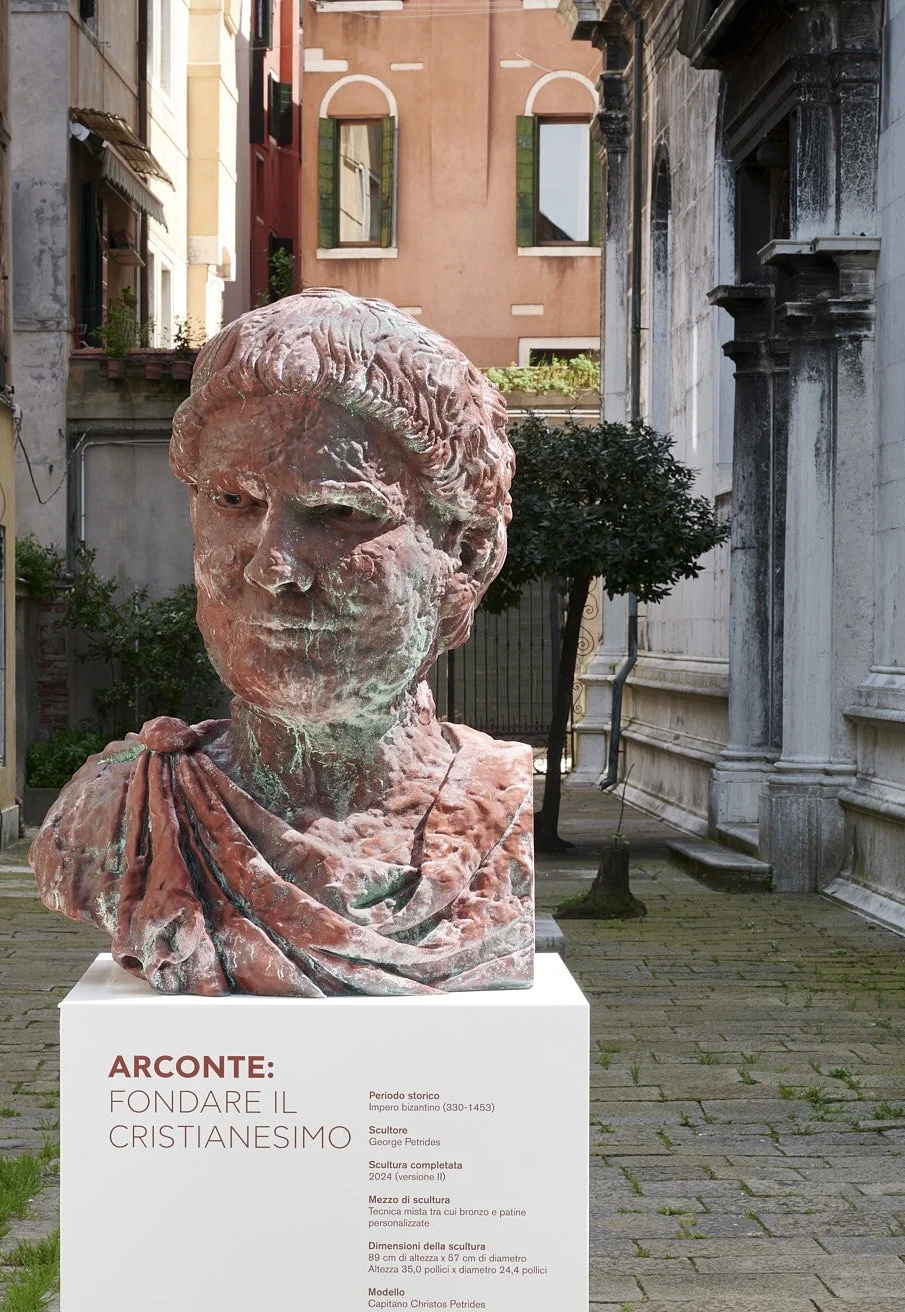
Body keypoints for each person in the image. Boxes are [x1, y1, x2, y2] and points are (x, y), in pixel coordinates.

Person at [31, 289, 533, 996]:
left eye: (337, 511)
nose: (273, 562)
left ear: (469, 555)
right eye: (234, 502)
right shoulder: (115, 817)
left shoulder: (501, 806)